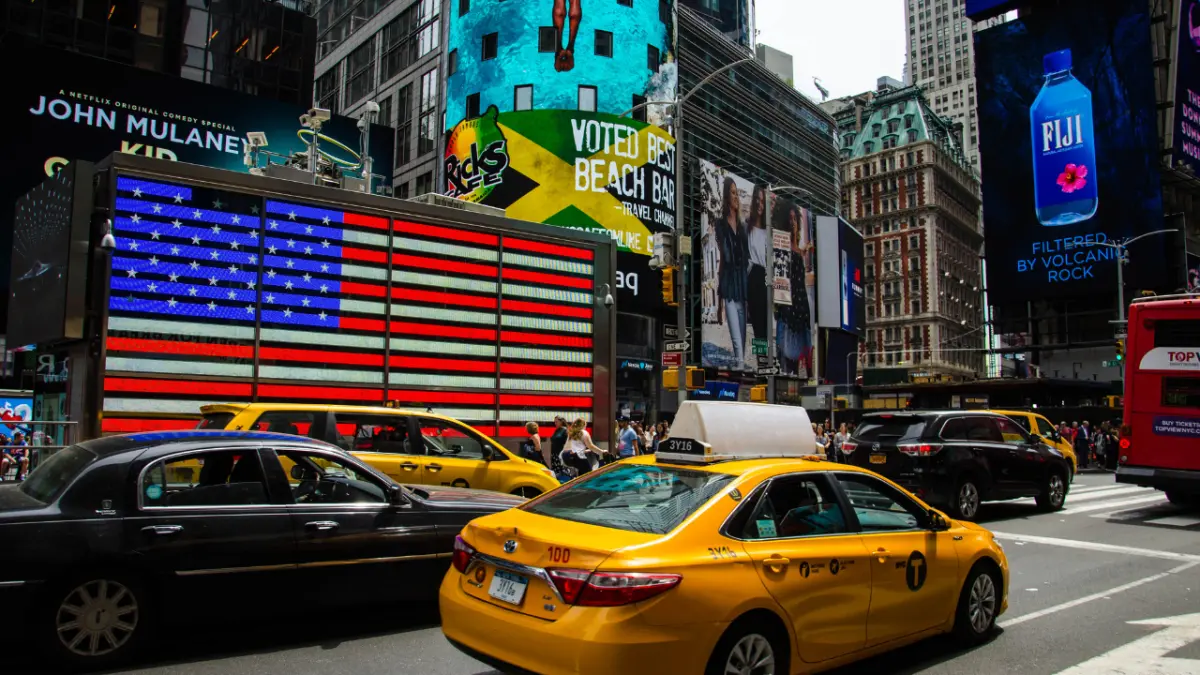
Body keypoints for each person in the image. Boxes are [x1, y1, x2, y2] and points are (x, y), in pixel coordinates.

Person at [774, 202, 814, 377]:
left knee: (802, 361)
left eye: (794, 219)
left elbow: (800, 277)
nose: (792, 222)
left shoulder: (798, 250)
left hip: (802, 308)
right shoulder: (781, 247)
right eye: (788, 219)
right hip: (788, 309)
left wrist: (804, 252)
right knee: (787, 359)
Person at [714, 176, 750, 365]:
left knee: (742, 347)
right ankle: (739, 372)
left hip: (742, 290)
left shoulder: (744, 228)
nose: (736, 197)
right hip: (729, 289)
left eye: (737, 193)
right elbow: (722, 261)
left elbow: (747, 262)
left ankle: (740, 375)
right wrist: (719, 304)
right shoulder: (720, 225)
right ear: (727, 197)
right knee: (737, 345)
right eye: (733, 193)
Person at [747, 185, 770, 345]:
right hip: (754, 276)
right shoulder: (747, 227)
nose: (760, 204)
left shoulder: (770, 230)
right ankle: (761, 361)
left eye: (763, 201)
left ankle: (768, 362)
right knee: (758, 326)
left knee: (768, 324)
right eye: (757, 200)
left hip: (768, 278)